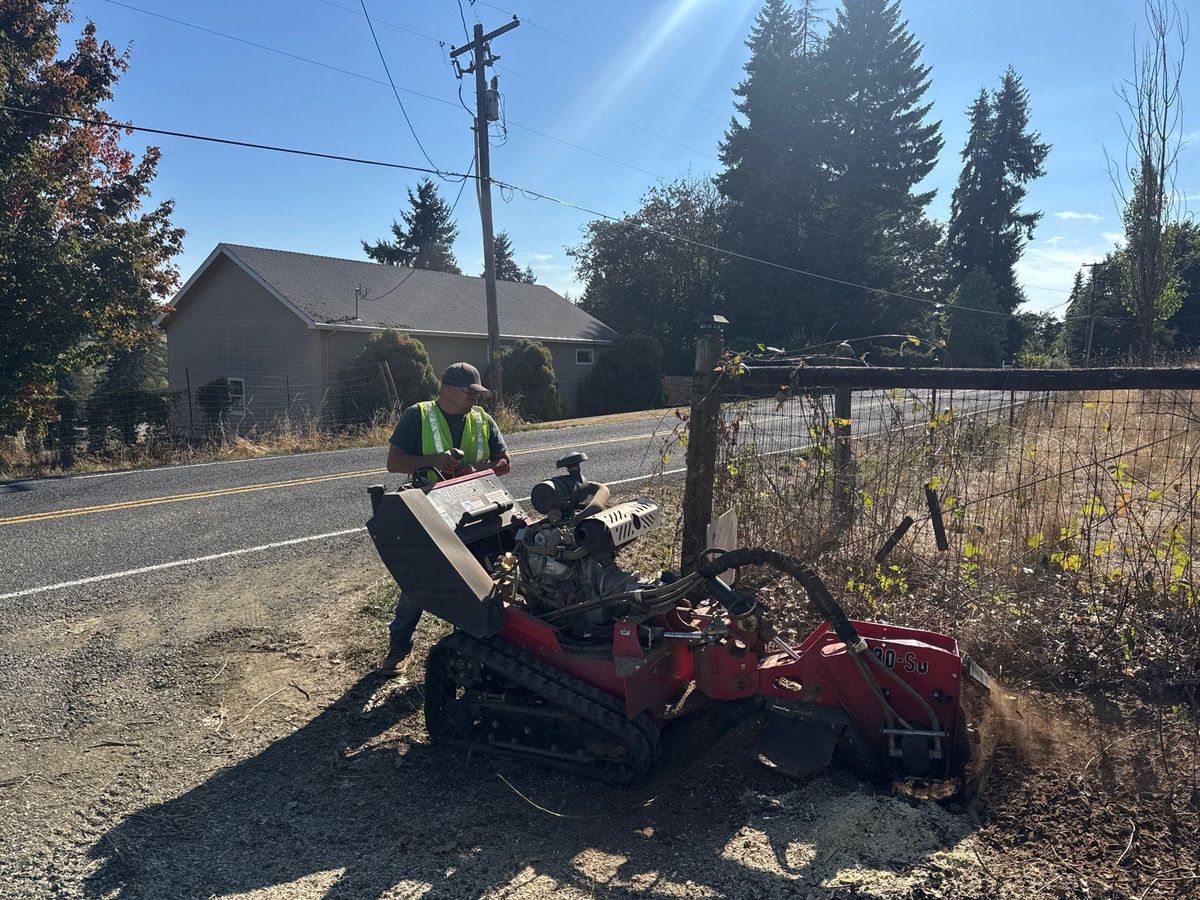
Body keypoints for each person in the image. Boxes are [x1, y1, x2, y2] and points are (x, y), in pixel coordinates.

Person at [378, 362, 512, 676]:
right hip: (428, 508)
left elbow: (505, 462)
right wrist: (434, 461)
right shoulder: (418, 416)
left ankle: (471, 639)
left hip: (477, 508)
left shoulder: (482, 419)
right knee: (423, 576)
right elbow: (394, 463)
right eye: (469, 393)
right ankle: (400, 645)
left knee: (481, 574)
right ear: (448, 388)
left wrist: (478, 472)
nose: (475, 400)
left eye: (478, 393)